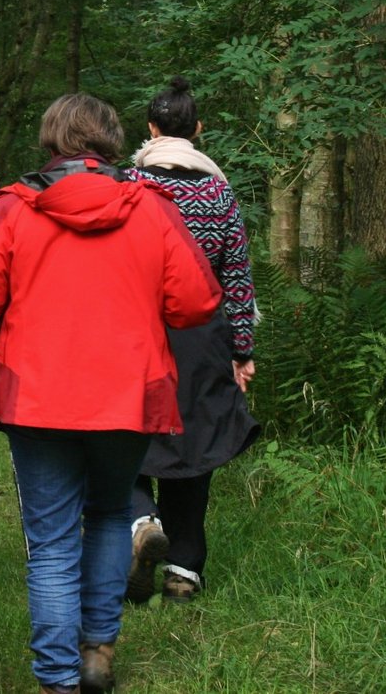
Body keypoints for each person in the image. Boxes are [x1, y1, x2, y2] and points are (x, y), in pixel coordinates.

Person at [0, 94, 222, 694]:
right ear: (112, 141)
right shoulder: (152, 209)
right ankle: (97, 654)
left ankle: (57, 678)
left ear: (51, 141)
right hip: (126, 394)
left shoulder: (16, 209)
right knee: (106, 518)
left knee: (49, 539)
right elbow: (198, 301)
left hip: (37, 396)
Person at [124, 76, 261, 606]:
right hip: (202, 337)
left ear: (152, 129)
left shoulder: (130, 189)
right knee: (195, 445)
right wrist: (242, 350)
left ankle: (140, 521)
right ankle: (183, 570)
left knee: (129, 434)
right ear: (197, 130)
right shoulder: (217, 191)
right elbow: (237, 280)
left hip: (138, 333)